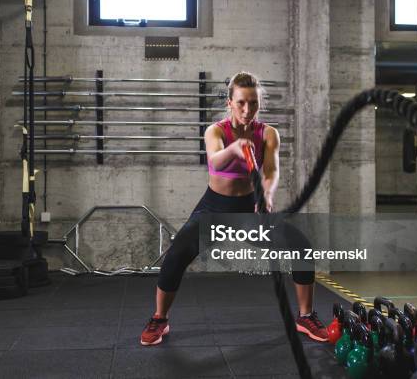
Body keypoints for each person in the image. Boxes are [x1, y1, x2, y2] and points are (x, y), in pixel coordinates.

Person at [140, 71, 329, 346]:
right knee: (176, 255)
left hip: (249, 210)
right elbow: (216, 162)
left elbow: (271, 171)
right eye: (241, 102)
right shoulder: (216, 131)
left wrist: (266, 195)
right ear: (229, 102)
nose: (247, 109)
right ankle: (160, 319)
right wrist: (236, 148)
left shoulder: (268, 134)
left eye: (253, 103)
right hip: (214, 209)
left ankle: (305, 316)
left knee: (301, 247)